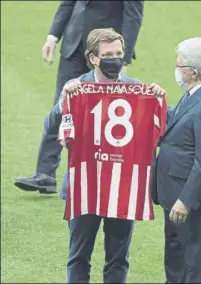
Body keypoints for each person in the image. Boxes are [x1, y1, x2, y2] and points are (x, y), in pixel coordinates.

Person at [42, 28, 165, 283]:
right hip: (85, 186)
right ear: (93, 58)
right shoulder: (76, 89)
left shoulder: (138, 90)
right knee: (78, 257)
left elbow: (158, 132)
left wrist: (160, 100)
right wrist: (63, 100)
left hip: (122, 187)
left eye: (119, 53)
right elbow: (51, 127)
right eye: (108, 54)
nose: (115, 59)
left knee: (118, 259)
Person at [15, 0, 144, 194]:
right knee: (62, 103)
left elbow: (134, 14)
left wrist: (122, 59)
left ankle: (102, 175)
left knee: (107, 112)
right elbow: (68, 3)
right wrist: (53, 36)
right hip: (73, 45)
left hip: (106, 53)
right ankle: (45, 174)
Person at [151, 37, 201, 283]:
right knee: (176, 267)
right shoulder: (196, 94)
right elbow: (181, 119)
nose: (176, 70)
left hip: (194, 205)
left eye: (179, 66)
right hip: (175, 197)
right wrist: (160, 102)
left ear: (194, 72)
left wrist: (185, 202)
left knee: (197, 272)